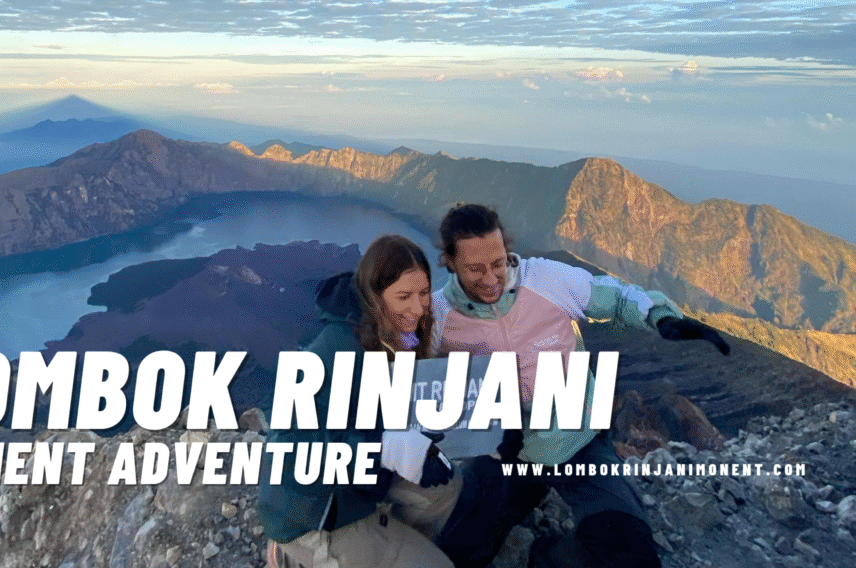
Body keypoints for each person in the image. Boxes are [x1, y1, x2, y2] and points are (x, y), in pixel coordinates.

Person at [430, 204, 731, 568]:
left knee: (630, 551)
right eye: (475, 269)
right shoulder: (440, 317)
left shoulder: (545, 280)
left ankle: (546, 555)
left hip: (576, 437)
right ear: (449, 261)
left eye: (498, 263)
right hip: (503, 450)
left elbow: (615, 296)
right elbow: (402, 365)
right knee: (455, 552)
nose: (492, 278)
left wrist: (659, 316)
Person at [258, 234, 461, 568]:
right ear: (375, 297)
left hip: (357, 484)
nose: (418, 306)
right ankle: (293, 558)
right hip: (310, 513)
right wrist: (385, 448)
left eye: (424, 293)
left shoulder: (395, 334)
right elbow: (291, 455)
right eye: (404, 296)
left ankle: (390, 550)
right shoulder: (338, 349)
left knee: (443, 488)